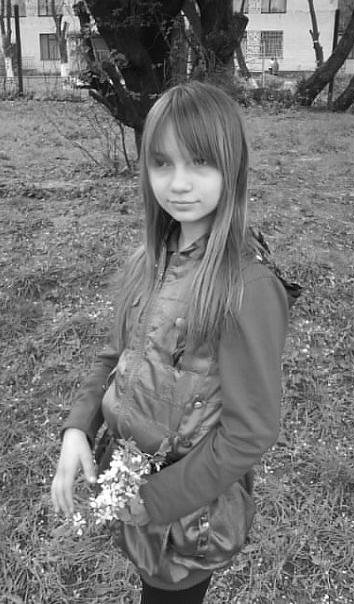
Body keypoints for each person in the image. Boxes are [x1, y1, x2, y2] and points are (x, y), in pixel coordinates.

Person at [51, 81, 291, 603]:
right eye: (162, 162)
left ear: (233, 168)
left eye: (200, 162)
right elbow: (117, 355)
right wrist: (77, 428)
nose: (178, 184)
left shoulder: (246, 288)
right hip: (136, 490)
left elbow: (250, 432)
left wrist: (154, 501)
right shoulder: (151, 258)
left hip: (189, 519)